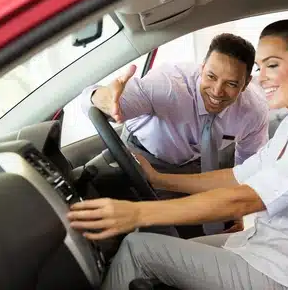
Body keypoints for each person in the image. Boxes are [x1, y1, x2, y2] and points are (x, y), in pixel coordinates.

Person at [68, 19, 288, 290]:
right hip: (256, 244)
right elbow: (238, 177)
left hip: (278, 273)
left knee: (138, 248)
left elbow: (242, 197)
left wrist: (136, 213)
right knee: (170, 246)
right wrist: (159, 179)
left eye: (272, 65)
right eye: (261, 68)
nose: (262, 79)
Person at [81, 33, 269, 235]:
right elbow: (99, 102)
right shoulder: (167, 85)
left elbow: (249, 167)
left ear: (247, 83)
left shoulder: (254, 111)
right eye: (211, 77)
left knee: (204, 229)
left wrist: (237, 210)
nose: (217, 91)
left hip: (193, 165)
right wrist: (103, 98)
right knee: (156, 231)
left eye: (231, 84)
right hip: (142, 156)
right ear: (202, 67)